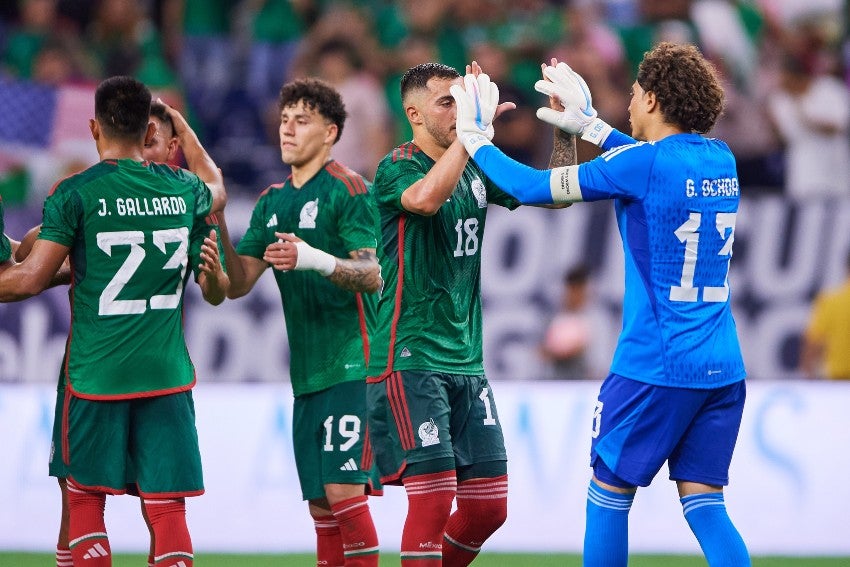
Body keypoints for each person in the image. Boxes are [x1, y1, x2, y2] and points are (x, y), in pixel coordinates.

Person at [451, 42, 750, 566]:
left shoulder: (643, 164)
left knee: (608, 496)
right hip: (722, 366)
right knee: (705, 503)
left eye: (634, 94)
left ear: (654, 100)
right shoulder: (720, 157)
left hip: (655, 364)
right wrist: (589, 126)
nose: (629, 103)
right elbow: (642, 164)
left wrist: (475, 139)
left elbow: (535, 187)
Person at [0, 75, 228, 567]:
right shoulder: (183, 188)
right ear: (150, 132)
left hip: (95, 376)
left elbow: (25, 280)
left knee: (83, 503)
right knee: (168, 512)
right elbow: (217, 188)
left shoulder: (77, 192)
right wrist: (186, 134)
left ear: (93, 127)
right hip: (166, 377)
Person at [365, 62, 569, 567]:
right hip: (410, 356)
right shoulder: (397, 166)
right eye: (446, 103)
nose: (458, 111)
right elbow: (427, 200)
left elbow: (550, 194)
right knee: (433, 499)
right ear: (413, 113)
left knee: (487, 508)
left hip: (466, 361)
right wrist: (473, 135)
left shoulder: (478, 162)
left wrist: (564, 131)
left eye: (462, 99)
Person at [218, 77, 382, 567]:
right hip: (307, 378)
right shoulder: (271, 202)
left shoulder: (348, 190)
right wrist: (216, 222)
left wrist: (315, 259)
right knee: (322, 507)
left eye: (302, 120)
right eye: (285, 119)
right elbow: (238, 282)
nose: (287, 129)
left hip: (354, 366)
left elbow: (373, 275)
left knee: (344, 494)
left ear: (330, 133)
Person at [800, 251, 850, 380]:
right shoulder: (830, 301)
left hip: (837, 382)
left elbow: (812, 345)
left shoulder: (831, 301)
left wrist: (809, 379)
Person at [540, 264, 593, 380]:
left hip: (581, 382)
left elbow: (581, 349)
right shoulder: (554, 318)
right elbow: (541, 351)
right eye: (572, 289)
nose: (575, 295)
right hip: (555, 382)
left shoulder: (593, 318)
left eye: (579, 290)